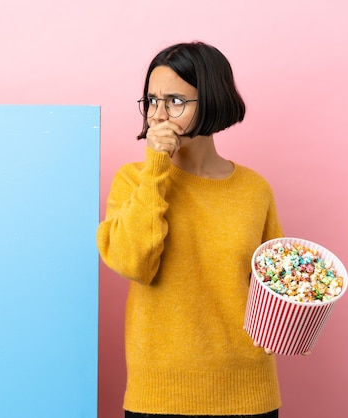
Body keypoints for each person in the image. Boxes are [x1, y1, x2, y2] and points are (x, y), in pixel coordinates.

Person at [96, 41, 284, 417]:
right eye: (151, 101)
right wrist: (156, 169)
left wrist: (295, 324)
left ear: (212, 100)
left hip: (248, 392)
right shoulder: (134, 181)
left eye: (175, 101)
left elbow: (275, 280)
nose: (159, 115)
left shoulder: (253, 189)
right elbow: (133, 263)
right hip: (159, 394)